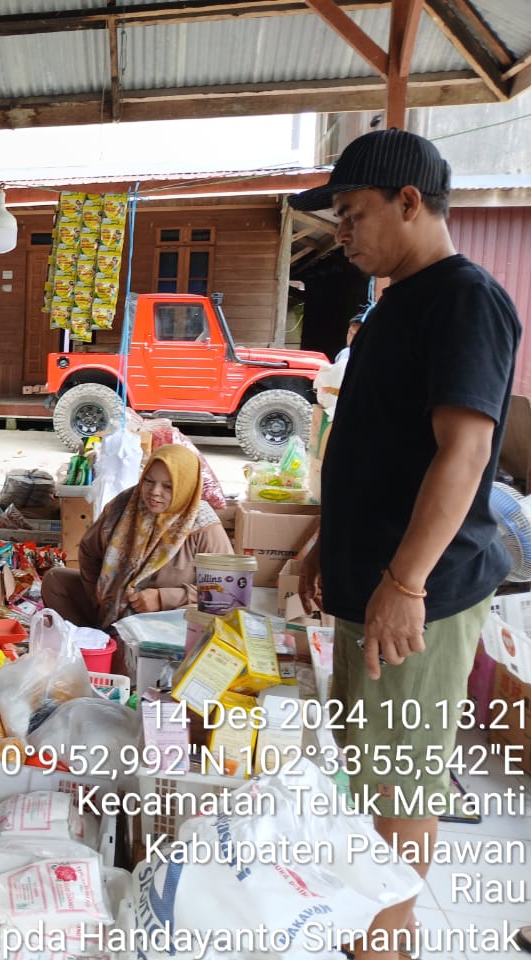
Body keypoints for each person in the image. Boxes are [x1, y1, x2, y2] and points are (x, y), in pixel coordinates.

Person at [291, 129, 520, 960]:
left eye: (353, 216)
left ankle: (386, 942)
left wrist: (408, 582)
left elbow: (463, 454)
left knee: (401, 779)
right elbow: (383, 445)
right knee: (369, 762)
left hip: (417, 593)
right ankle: (370, 926)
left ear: (410, 203)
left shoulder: (465, 299)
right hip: (373, 580)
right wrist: (326, 536)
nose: (343, 234)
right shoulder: (396, 303)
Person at [42, 444, 232, 629]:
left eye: (168, 486)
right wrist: (99, 595)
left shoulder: (203, 525)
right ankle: (92, 643)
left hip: (163, 623)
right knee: (56, 581)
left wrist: (163, 599)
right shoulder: (125, 505)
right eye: (149, 481)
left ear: (185, 487)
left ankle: (131, 650)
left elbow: (227, 594)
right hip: (113, 609)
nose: (154, 492)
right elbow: (89, 551)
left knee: (192, 616)